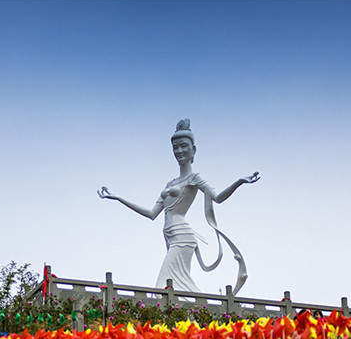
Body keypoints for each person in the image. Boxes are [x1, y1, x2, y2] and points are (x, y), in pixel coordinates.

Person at [98, 118, 258, 294]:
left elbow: (218, 197)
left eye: (183, 146)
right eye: (175, 147)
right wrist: (118, 197)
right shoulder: (170, 183)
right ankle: (200, 311)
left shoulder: (194, 178)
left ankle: (200, 310)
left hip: (183, 236)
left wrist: (239, 182)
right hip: (169, 236)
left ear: (193, 149)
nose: (179, 151)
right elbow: (151, 213)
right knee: (176, 285)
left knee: (163, 285)